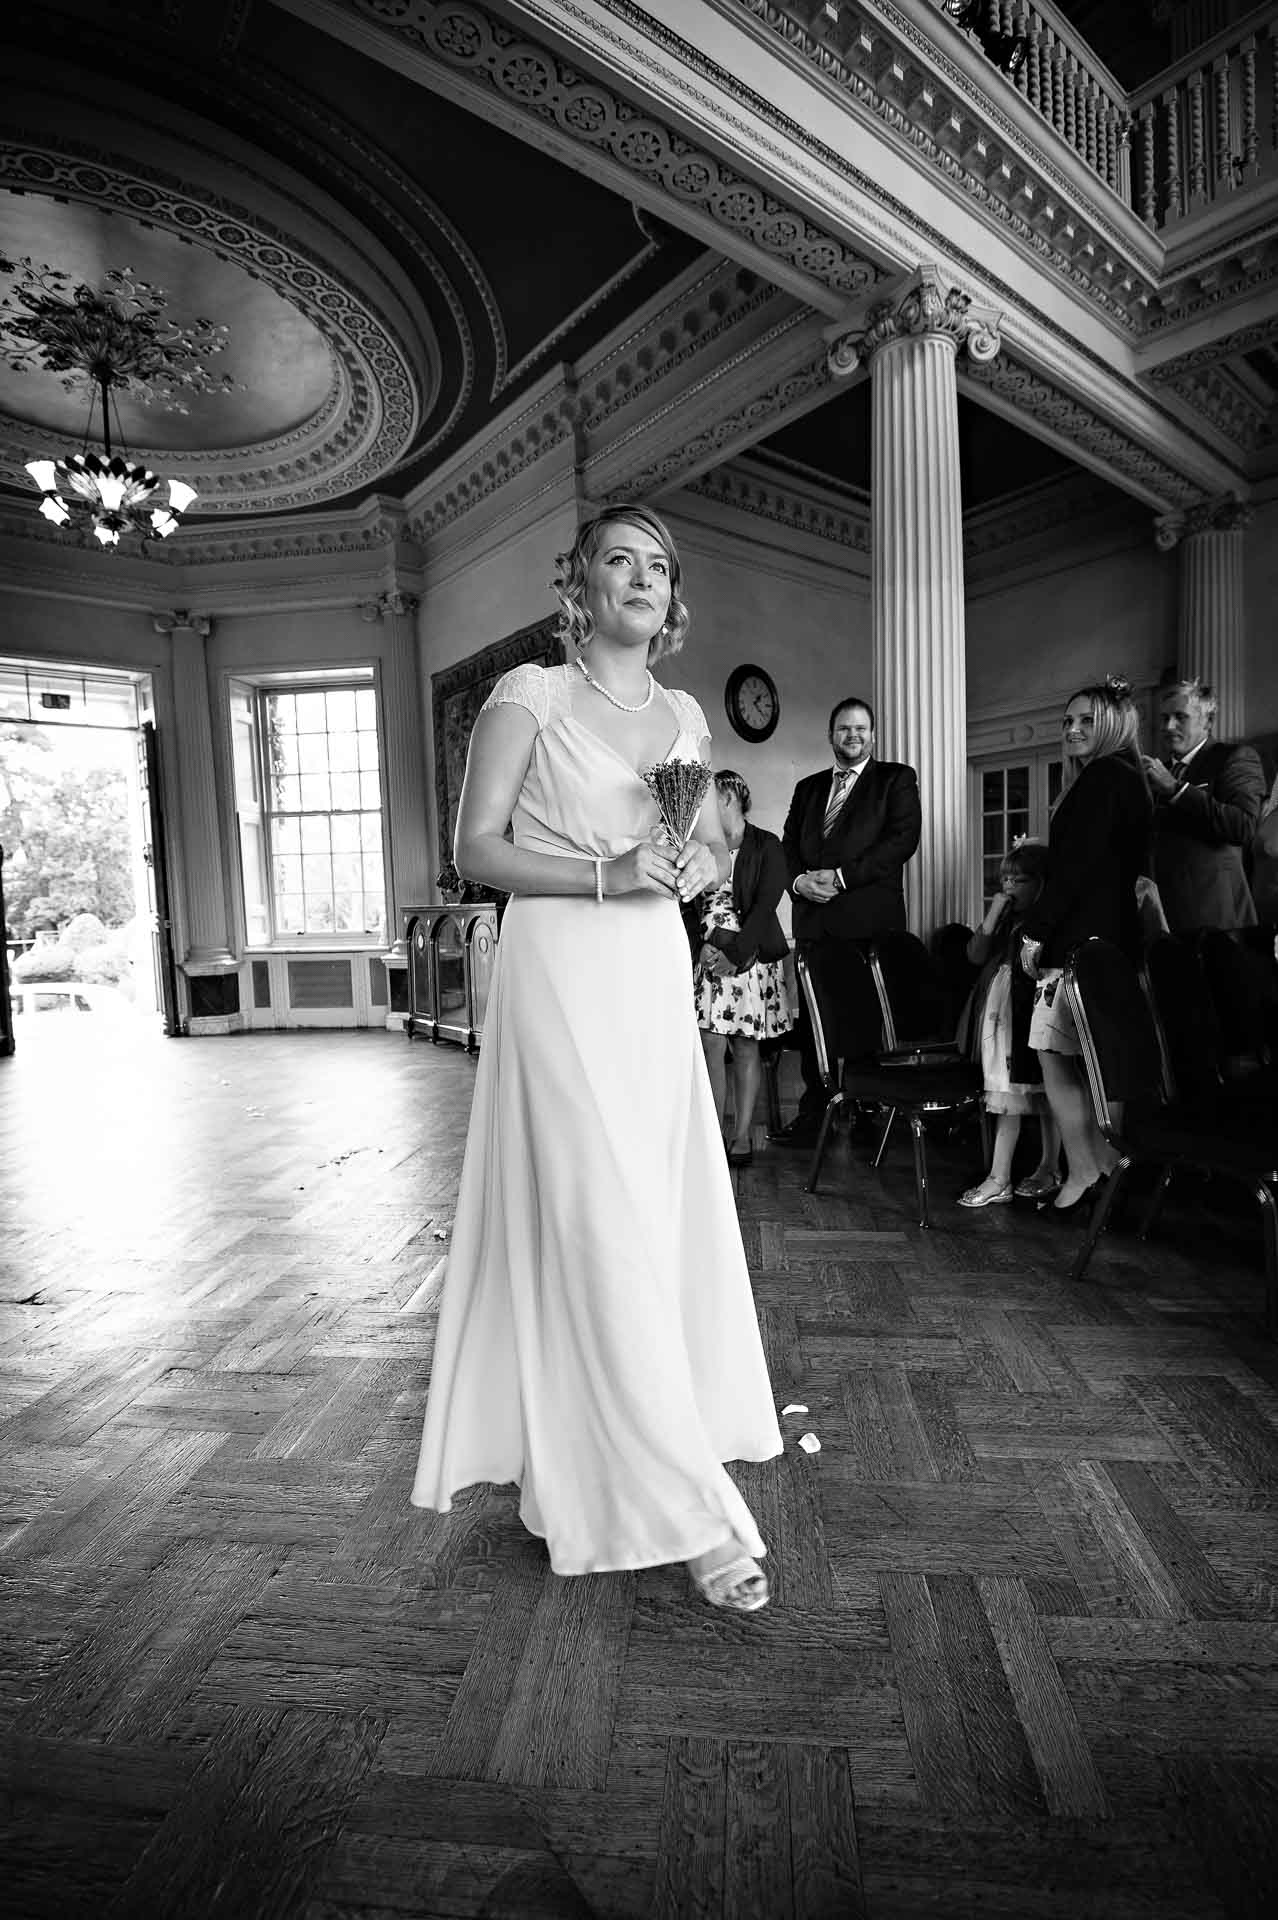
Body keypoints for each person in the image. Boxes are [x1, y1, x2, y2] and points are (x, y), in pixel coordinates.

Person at [411, 503, 782, 1613]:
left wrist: (698, 859)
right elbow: (477, 848)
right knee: (590, 1214)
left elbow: (701, 852)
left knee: (648, 1216)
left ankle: (583, 1461)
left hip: (651, 979)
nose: (640, 577)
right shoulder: (530, 695)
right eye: (618, 559)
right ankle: (699, 1514)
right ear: (580, 585)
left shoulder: (680, 714)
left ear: (673, 600)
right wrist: (607, 876)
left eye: (658, 566)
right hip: (562, 965)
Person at [1019, 676, 1153, 1216]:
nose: (1072, 730)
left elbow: (1073, 873)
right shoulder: (1130, 778)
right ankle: (1097, 1171)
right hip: (1112, 940)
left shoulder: (1101, 779)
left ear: (1113, 725)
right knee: (1091, 1063)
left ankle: (1083, 1171)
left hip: (1080, 944)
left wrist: (1034, 930)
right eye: (1068, 721)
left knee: (1056, 1056)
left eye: (1086, 721)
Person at [774, 697, 921, 1144]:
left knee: (864, 1024)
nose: (852, 735)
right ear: (831, 735)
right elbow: (787, 847)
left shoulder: (895, 779)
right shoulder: (808, 788)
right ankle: (814, 1114)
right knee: (814, 1024)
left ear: (872, 735)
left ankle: (866, 1113)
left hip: (866, 925)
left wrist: (839, 878)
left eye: (860, 728)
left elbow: (902, 841)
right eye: (843, 729)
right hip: (814, 923)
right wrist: (799, 882)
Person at [694, 770, 794, 1168]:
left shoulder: (766, 845)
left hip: (749, 959)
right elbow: (687, 902)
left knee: (746, 1045)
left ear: (730, 796)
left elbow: (766, 904)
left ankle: (741, 1137)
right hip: (707, 957)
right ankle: (712, 1133)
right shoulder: (701, 845)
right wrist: (700, 944)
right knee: (710, 1044)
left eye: (709, 798)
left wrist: (735, 954)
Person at [957, 839, 1061, 1208]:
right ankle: (1000, 1175)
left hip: (1031, 1007)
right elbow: (974, 955)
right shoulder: (1005, 921)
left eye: (1018, 881)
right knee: (1006, 1092)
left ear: (1040, 883)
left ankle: (1048, 1167)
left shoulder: (1044, 920)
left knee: (1047, 1091)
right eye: (1005, 880)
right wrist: (991, 916)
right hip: (1000, 1013)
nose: (1008, 888)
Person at [1141, 676, 1266, 931]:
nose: (1168, 726)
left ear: (1208, 721)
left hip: (1217, 921)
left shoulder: (1234, 758)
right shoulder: (1156, 773)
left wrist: (1177, 790)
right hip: (1163, 920)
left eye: (1180, 717)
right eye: (1164, 719)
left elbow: (1242, 826)